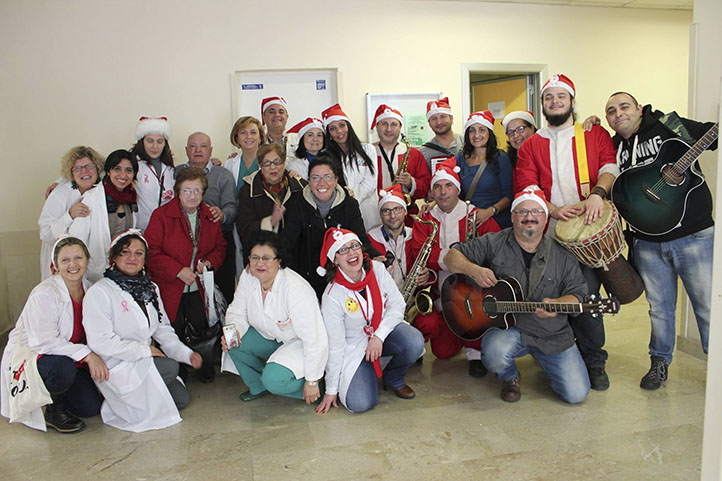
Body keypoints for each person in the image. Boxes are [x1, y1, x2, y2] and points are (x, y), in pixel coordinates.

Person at [603, 91, 717, 389]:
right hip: (646, 242)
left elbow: (712, 137)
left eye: (624, 106)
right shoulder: (613, 147)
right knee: (660, 308)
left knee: (706, 306)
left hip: (692, 235)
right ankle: (659, 363)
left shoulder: (669, 125)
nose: (618, 114)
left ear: (639, 109)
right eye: (611, 111)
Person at [514, 74, 619, 391]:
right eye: (549, 98)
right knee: (544, 296)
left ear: (572, 100)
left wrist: (598, 194)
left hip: (587, 229)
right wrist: (552, 209)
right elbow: (525, 187)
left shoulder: (594, 132)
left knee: (585, 298)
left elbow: (610, 165)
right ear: (543, 104)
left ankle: (594, 361)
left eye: (561, 96)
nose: (555, 102)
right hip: (548, 233)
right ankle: (551, 353)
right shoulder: (532, 144)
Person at [443, 189, 591, 404]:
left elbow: (578, 295)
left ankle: (548, 362)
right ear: (512, 216)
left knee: (576, 395)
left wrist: (558, 304)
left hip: (551, 334)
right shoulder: (494, 242)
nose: (529, 217)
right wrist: (474, 270)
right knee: (493, 354)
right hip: (510, 330)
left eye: (536, 211)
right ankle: (510, 376)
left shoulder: (563, 255)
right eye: (522, 211)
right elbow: (451, 258)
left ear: (546, 217)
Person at [83, 230, 202, 432]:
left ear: (145, 259)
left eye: (139, 253)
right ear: (114, 256)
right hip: (116, 363)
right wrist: (144, 351)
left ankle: (137, 398)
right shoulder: (100, 291)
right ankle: (117, 399)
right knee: (170, 368)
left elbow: (162, 329)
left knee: (181, 399)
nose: (132, 258)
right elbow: (100, 341)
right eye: (125, 252)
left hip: (142, 361)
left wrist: (187, 354)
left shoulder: (150, 288)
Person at [1, 237, 106, 433]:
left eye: (78, 258)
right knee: (61, 367)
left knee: (89, 408)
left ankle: (58, 393)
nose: (73, 265)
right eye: (65, 260)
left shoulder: (91, 289)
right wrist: (87, 355)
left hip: (71, 356)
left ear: (87, 260)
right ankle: (53, 410)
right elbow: (43, 342)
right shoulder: (45, 294)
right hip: (41, 357)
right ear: (55, 264)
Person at [317, 227, 425, 414]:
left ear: (361, 249)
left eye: (354, 246)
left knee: (413, 341)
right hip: (354, 347)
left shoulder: (377, 269)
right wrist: (331, 389)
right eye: (343, 250)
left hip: (381, 333)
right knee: (360, 403)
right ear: (334, 259)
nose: (351, 253)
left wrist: (378, 336)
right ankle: (366, 370)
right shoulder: (332, 295)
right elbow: (336, 345)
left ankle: (394, 378)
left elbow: (397, 305)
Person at [411, 158, 501, 376]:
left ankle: (475, 351)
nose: (443, 192)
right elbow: (421, 252)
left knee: (477, 311)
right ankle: (455, 333)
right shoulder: (424, 219)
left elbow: (498, 247)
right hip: (439, 292)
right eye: (437, 187)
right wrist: (452, 262)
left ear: (457, 189)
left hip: (474, 291)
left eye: (448, 185)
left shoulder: (475, 216)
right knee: (442, 352)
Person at [220, 231, 328, 403]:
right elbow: (236, 311)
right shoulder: (248, 277)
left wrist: (312, 379)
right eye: (255, 257)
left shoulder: (295, 288)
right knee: (233, 343)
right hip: (270, 336)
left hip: (298, 342)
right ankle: (258, 386)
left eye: (267, 258)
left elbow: (314, 338)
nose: (259, 263)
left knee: (274, 380)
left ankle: (316, 388)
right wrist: (233, 332)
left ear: (279, 261)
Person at [144, 168, 227, 383]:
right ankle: (177, 366)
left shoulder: (209, 216)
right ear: (178, 192)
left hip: (198, 286)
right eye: (187, 190)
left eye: (197, 191)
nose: (192, 195)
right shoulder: (161, 216)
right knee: (173, 326)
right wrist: (177, 270)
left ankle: (201, 362)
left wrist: (209, 263)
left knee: (201, 327)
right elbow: (150, 251)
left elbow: (220, 247)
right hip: (169, 285)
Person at [281, 153, 380, 299]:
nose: (322, 183)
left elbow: (360, 239)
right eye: (315, 178)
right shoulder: (297, 204)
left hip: (341, 280)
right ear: (309, 181)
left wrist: (376, 256)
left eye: (327, 177)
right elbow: (287, 242)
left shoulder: (349, 205)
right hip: (305, 281)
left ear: (336, 180)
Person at [176, 132, 238, 303]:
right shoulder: (176, 172)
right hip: (183, 241)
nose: (198, 150)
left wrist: (222, 214)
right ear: (186, 150)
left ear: (210, 150)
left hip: (217, 240)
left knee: (223, 294)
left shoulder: (223, 174)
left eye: (203, 146)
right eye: (193, 146)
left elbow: (233, 207)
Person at [68, 149, 138, 282]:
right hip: (95, 271)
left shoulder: (131, 198)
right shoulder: (92, 198)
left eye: (128, 170)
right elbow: (77, 238)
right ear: (108, 171)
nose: (123, 175)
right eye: (117, 169)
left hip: (122, 269)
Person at [38, 146, 104, 281]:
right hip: (66, 263)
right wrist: (69, 216)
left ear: (98, 168)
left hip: (94, 262)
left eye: (89, 166)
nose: (84, 171)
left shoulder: (102, 190)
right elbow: (45, 234)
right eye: (78, 168)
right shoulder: (60, 194)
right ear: (71, 172)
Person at [236, 143, 304, 260]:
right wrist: (270, 222)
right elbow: (244, 229)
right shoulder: (248, 190)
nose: (272, 167)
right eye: (266, 163)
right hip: (262, 260)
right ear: (260, 166)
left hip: (296, 258)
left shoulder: (299, 186)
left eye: (277, 162)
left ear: (284, 163)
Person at [322, 103, 380, 229]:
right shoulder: (326, 157)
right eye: (333, 128)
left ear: (348, 126)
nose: (339, 131)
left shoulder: (367, 150)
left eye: (342, 125)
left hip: (368, 212)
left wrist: (351, 199)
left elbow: (370, 183)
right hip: (341, 213)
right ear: (329, 134)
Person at [372, 104, 431, 225]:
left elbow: (426, 187)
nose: (388, 129)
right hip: (373, 216)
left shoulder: (414, 154)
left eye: (394, 124)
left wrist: (411, 183)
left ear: (400, 127)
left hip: (407, 217)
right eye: (384, 124)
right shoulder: (367, 153)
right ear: (377, 127)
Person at [225, 116, 267, 278]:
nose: (248, 137)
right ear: (236, 137)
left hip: (263, 221)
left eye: (253, 132)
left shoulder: (268, 161)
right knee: (242, 262)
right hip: (239, 221)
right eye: (243, 132)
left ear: (260, 137)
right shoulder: (230, 164)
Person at [456, 111, 513, 228]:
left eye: (482, 130)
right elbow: (450, 186)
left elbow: (509, 196)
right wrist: (433, 203)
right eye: (472, 130)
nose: (476, 135)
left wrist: (490, 211)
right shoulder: (460, 159)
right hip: (469, 223)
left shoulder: (501, 159)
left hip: (496, 223)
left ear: (489, 133)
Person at [367, 185, 430, 291]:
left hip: (411, 299)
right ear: (380, 215)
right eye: (386, 211)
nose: (392, 215)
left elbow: (427, 268)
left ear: (405, 212)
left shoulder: (416, 235)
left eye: (397, 209)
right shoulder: (370, 239)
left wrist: (427, 275)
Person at [130, 116, 176, 232]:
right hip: (141, 228)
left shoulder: (169, 168)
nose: (155, 147)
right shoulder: (133, 165)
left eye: (160, 141)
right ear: (142, 142)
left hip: (166, 228)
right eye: (150, 141)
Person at [418, 97, 464, 175]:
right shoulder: (423, 153)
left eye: (443, 116)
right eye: (434, 118)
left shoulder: (466, 142)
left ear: (451, 118)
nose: (439, 122)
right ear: (429, 123)